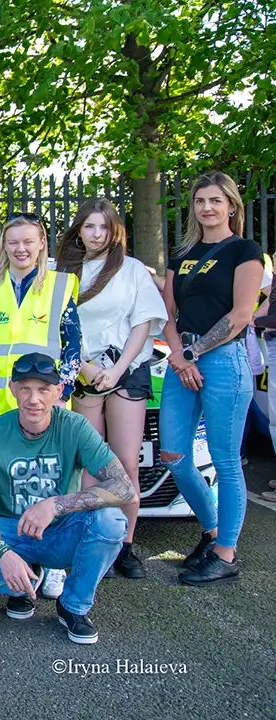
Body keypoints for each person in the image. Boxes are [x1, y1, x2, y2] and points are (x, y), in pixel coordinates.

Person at [0, 353, 132, 645]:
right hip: (12, 530)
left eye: (43, 389)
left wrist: (55, 505)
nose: (33, 399)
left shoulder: (75, 426)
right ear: (12, 388)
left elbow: (124, 488)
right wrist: (4, 554)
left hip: (60, 530)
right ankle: (25, 582)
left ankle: (73, 606)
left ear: (58, 391)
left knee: (111, 521)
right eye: (25, 388)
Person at [0, 212, 81, 600]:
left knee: (53, 481)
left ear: (42, 244)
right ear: (4, 245)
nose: (21, 249)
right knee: (10, 484)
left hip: (47, 403)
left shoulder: (61, 285)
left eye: (28, 241)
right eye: (13, 241)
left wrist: (62, 394)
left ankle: (55, 565)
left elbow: (73, 345)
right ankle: (18, 557)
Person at [159, 172, 263, 586]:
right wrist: (180, 356)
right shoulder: (183, 253)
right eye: (200, 201)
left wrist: (193, 353)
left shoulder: (245, 251)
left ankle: (225, 553)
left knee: (225, 460)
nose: (207, 208)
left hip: (223, 362)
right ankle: (212, 529)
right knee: (174, 455)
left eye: (216, 200)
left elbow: (241, 314)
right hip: (182, 361)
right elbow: (167, 312)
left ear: (231, 206)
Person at [55, 199, 167, 579]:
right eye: (89, 226)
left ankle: (125, 544)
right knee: (88, 462)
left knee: (125, 461)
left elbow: (143, 323)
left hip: (126, 370)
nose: (97, 234)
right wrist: (85, 367)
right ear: (78, 230)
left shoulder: (132, 269)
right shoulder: (62, 272)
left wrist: (117, 369)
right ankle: (89, 538)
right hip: (83, 372)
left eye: (104, 226)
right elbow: (57, 325)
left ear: (115, 230)